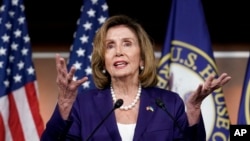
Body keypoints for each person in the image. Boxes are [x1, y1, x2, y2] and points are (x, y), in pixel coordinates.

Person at [40, 15, 231, 141]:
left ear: (141, 58)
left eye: (127, 44)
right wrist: (64, 105)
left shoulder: (169, 104)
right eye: (110, 46)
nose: (119, 52)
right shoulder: (84, 105)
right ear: (103, 61)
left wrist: (194, 110)